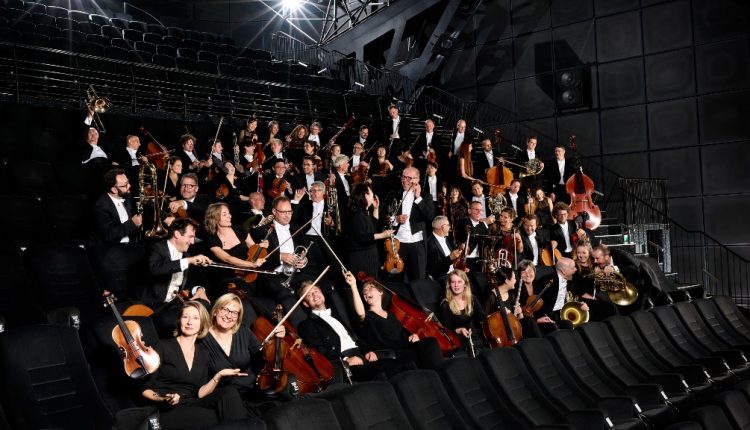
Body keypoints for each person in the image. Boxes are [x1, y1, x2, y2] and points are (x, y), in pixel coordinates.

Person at [141, 301, 251, 429]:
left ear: (202, 323)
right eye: (185, 317)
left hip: (190, 403)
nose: (189, 322)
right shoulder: (163, 346)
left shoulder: (203, 353)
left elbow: (200, 393)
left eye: (195, 318)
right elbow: (144, 388)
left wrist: (218, 376)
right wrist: (162, 399)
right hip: (165, 408)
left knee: (229, 393)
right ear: (179, 320)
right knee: (221, 417)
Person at [297, 277, 415, 382]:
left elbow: (359, 333)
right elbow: (319, 353)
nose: (315, 294)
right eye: (309, 294)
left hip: (364, 353)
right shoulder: (306, 325)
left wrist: (370, 351)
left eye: (316, 290)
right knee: (381, 375)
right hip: (347, 360)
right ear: (306, 304)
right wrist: (346, 361)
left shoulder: (338, 314)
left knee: (408, 365)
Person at [203, 293, 286, 403]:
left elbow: (261, 359)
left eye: (234, 312)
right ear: (215, 311)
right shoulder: (202, 339)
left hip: (251, 388)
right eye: (225, 310)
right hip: (224, 395)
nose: (229, 316)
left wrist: (275, 342)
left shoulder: (243, 331)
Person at [351, 275, 443, 369]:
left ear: (380, 292)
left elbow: (401, 336)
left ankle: (440, 372)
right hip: (388, 353)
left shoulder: (391, 314)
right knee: (415, 356)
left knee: (431, 341)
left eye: (370, 287)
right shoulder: (367, 316)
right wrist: (353, 286)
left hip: (403, 349)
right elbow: (360, 313)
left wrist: (411, 337)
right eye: (364, 291)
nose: (366, 292)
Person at [381, 167, 434, 281]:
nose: (404, 180)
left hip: (417, 243)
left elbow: (430, 217)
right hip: (397, 244)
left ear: (417, 180)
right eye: (403, 177)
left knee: (419, 278)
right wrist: (395, 219)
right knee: (396, 277)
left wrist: (418, 198)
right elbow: (383, 216)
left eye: (409, 178)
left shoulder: (425, 197)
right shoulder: (393, 194)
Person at [204, 202, 267, 298]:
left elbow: (253, 247)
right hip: (226, 277)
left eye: (229, 213)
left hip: (246, 274)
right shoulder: (212, 239)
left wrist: (262, 246)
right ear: (215, 218)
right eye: (224, 214)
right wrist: (251, 264)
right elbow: (227, 258)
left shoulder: (240, 230)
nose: (229, 216)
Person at [347, 183, 393, 278]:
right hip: (362, 257)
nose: (373, 196)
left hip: (370, 254)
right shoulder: (357, 215)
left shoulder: (365, 212)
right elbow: (363, 237)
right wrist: (383, 235)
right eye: (371, 194)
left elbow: (373, 228)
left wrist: (376, 209)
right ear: (365, 195)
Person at [483, 266, 542, 339]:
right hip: (501, 332)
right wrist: (499, 314)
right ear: (507, 280)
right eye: (514, 278)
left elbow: (518, 319)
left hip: (514, 328)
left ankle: (540, 342)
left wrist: (520, 312)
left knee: (529, 321)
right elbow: (484, 320)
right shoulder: (491, 296)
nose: (515, 280)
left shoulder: (511, 294)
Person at [437, 269, 487, 356]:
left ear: (465, 284)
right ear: (449, 285)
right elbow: (445, 329)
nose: (456, 285)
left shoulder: (472, 299)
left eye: (459, 282)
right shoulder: (445, 304)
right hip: (457, 340)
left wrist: (498, 314)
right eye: (453, 282)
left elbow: (483, 317)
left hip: (473, 335)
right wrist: (459, 330)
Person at [517, 259, 568, 334]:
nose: (527, 275)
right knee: (552, 327)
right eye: (523, 272)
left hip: (541, 318)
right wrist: (537, 320)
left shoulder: (539, 285)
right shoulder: (517, 289)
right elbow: (520, 315)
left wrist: (548, 318)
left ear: (534, 272)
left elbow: (545, 308)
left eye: (530, 271)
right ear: (519, 274)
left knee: (567, 324)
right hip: (529, 323)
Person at [535, 257, 588, 327]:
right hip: (549, 316)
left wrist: (580, 305)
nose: (576, 269)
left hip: (565, 313)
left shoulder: (571, 281)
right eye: (573, 268)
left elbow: (574, 298)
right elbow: (538, 304)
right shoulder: (547, 281)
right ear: (563, 271)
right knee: (568, 324)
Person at [574, 244, 619, 321]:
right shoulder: (575, 267)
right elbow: (577, 290)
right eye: (578, 252)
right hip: (583, 298)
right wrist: (594, 299)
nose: (581, 255)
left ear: (589, 253)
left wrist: (600, 273)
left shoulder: (595, 264)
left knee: (612, 304)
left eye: (584, 252)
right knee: (609, 307)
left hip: (597, 295)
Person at [425, 215, 462, 280]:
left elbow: (452, 263)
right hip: (441, 278)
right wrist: (450, 258)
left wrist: (460, 268)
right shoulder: (429, 243)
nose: (450, 227)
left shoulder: (447, 239)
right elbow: (433, 268)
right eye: (448, 225)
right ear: (443, 227)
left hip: (453, 274)